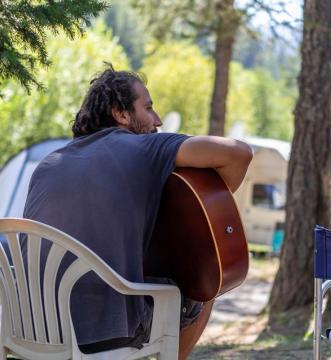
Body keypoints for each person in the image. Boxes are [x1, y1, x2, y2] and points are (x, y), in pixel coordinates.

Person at [23, 64, 252, 359]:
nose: (157, 121)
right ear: (121, 114)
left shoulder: (48, 163)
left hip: (32, 326)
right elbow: (239, 153)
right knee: (201, 286)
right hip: (104, 333)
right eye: (148, 108)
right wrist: (206, 210)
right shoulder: (145, 147)